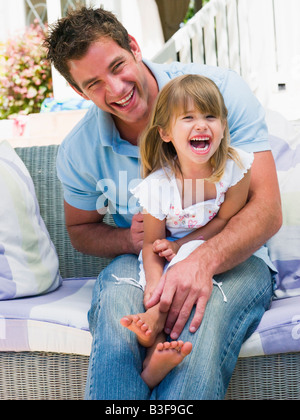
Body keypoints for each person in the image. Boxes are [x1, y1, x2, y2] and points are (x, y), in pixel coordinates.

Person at [44, 6, 282, 399]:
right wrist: (129, 241)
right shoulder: (79, 150)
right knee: (119, 325)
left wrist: (199, 260)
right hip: (144, 259)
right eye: (94, 84)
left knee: (196, 324)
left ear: (134, 48)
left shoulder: (217, 93)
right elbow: (80, 231)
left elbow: (267, 209)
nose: (116, 88)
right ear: (78, 92)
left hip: (238, 254)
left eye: (118, 65)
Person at [120, 74, 254, 389]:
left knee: (191, 262)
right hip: (163, 255)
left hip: (205, 248)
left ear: (223, 125)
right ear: (165, 133)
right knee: (157, 284)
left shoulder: (236, 169)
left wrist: (182, 245)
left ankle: (156, 330)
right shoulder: (158, 186)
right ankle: (155, 349)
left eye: (211, 116)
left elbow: (223, 222)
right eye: (188, 118)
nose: (202, 125)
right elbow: (151, 243)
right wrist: (154, 286)